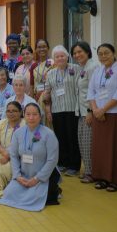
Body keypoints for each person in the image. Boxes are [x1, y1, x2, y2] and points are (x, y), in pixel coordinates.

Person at [0, 103, 61, 211]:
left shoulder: (49, 134)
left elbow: (52, 160)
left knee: (35, 197)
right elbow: (14, 155)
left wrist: (37, 179)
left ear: (40, 116)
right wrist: (17, 176)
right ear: (24, 115)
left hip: (44, 176)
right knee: (9, 193)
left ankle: (55, 189)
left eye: (35, 114)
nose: (31, 118)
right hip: (24, 175)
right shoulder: (18, 133)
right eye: (28, 114)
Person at [87, 43, 117, 192]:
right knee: (101, 148)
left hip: (116, 114)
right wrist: (95, 110)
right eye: (100, 54)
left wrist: (103, 110)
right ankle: (102, 177)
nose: (103, 56)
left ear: (114, 53)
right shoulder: (97, 71)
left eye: (107, 53)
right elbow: (91, 92)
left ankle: (116, 180)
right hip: (98, 114)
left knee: (116, 147)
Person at [44, 45, 80, 176]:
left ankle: (74, 165)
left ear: (67, 56)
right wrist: (48, 111)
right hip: (57, 110)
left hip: (72, 109)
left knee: (72, 137)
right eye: (57, 56)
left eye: (62, 56)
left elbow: (80, 89)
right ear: (54, 59)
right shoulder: (50, 73)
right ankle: (63, 162)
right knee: (60, 137)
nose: (60, 58)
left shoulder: (75, 69)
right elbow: (47, 93)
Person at [0, 101, 26, 198]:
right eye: (8, 111)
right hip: (2, 154)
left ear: (20, 112)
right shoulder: (2, 124)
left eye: (14, 111)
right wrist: (5, 153)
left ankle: (9, 189)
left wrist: (9, 156)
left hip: (20, 157)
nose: (11, 113)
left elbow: (25, 145)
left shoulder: (25, 124)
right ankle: (1, 189)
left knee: (0, 172)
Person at [71, 41, 97, 183]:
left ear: (87, 51)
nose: (77, 55)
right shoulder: (82, 68)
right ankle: (88, 170)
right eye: (75, 53)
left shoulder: (92, 67)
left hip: (88, 111)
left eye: (80, 51)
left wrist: (90, 111)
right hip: (81, 111)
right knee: (82, 142)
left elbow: (95, 91)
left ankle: (92, 172)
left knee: (88, 144)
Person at [32, 38, 53, 105]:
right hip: (37, 98)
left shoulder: (53, 63)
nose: (42, 49)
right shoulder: (34, 66)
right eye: (39, 47)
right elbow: (32, 85)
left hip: (51, 97)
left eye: (44, 47)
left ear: (48, 48)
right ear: (36, 49)